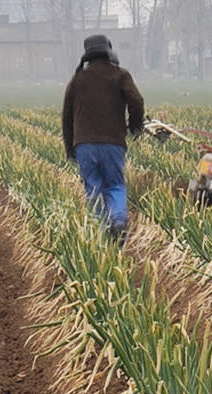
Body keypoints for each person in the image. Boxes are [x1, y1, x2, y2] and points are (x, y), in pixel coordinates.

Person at [62, 34, 144, 243]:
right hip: (112, 142)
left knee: (93, 186)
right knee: (115, 184)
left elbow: (67, 117)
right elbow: (136, 101)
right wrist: (135, 126)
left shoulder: (77, 80)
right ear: (108, 50)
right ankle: (118, 222)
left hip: (84, 145)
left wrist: (70, 148)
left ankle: (99, 231)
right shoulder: (120, 75)